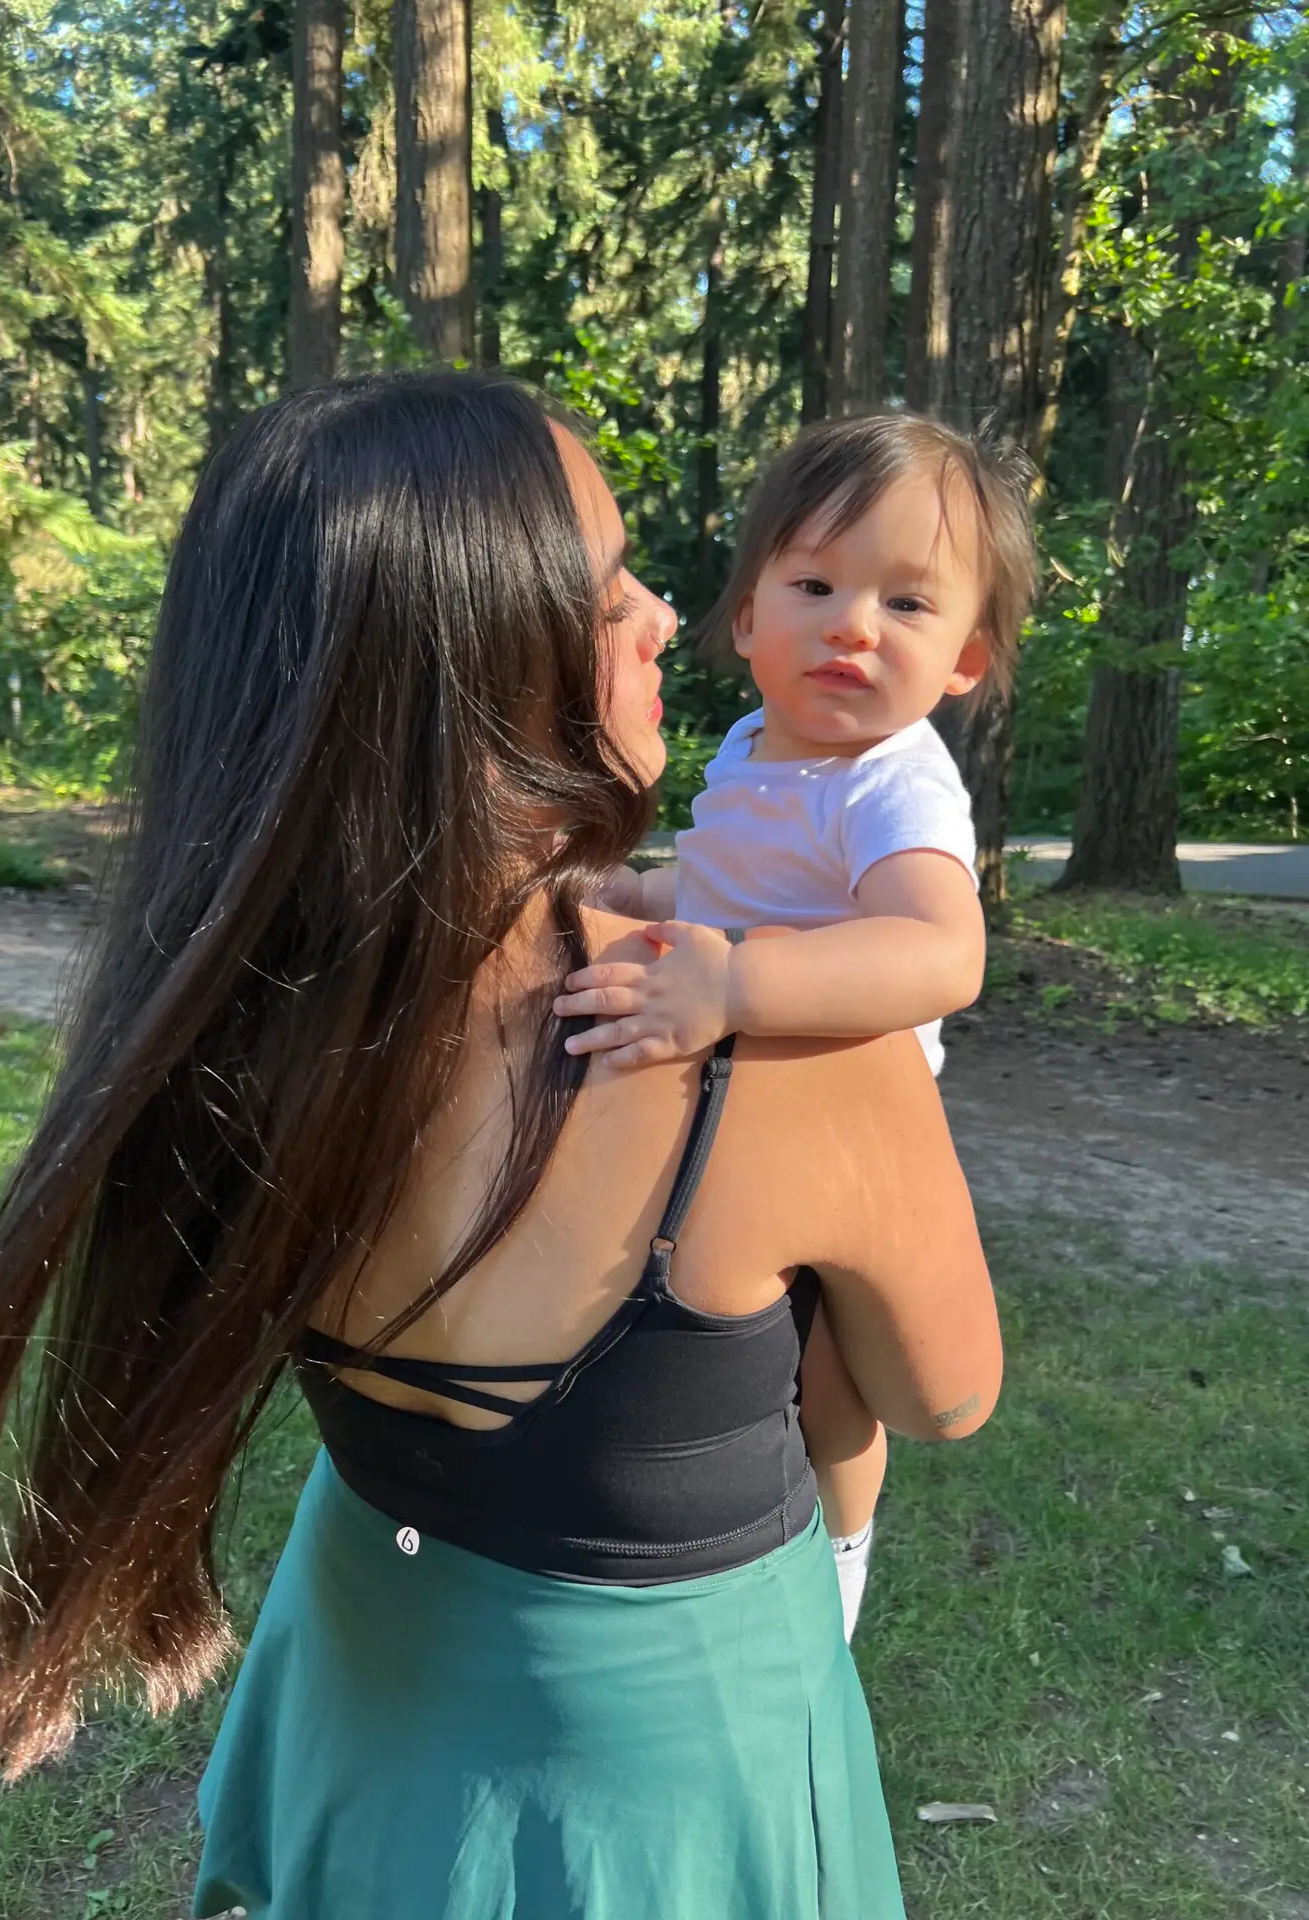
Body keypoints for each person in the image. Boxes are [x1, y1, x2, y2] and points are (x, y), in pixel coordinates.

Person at [0, 374, 1000, 1920]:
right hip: (659, 1784)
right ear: (480, 666)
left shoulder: (236, 1021)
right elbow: (944, 1395)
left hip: (363, 1677)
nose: (666, 618)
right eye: (610, 592)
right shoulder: (787, 1047)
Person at [555, 413, 1036, 1637]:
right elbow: (736, 884)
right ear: (748, 619)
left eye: (908, 604)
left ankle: (843, 1551)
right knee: (737, 1341)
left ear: (966, 659)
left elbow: (943, 951)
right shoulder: (753, 747)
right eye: (815, 585)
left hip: (855, 1134)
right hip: (744, 1101)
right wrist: (644, 897)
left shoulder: (894, 782)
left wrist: (733, 987)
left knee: (831, 1380)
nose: (854, 625)